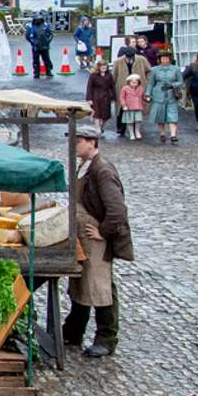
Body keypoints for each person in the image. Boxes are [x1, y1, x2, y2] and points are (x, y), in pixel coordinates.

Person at [62, 124, 133, 358]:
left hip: (98, 239)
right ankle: (74, 331)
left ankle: (107, 337)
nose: (74, 144)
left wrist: (104, 231)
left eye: (78, 140)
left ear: (92, 142)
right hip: (83, 235)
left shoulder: (103, 170)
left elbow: (117, 210)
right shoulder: (85, 166)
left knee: (101, 286)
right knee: (81, 283)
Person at [111, 43, 151, 138]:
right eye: (128, 57)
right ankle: (121, 129)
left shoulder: (141, 59)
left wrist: (146, 81)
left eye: (131, 57)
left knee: (136, 108)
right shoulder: (118, 62)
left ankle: (136, 129)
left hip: (137, 87)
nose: (129, 58)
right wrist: (112, 90)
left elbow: (149, 71)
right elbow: (114, 76)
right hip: (122, 87)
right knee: (122, 108)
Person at [147, 52, 184, 145]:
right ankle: (162, 133)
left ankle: (173, 135)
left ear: (170, 59)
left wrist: (172, 85)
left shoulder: (175, 69)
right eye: (163, 58)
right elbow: (151, 83)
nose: (165, 60)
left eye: (167, 58)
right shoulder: (154, 70)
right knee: (160, 115)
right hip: (158, 94)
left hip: (171, 94)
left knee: (172, 114)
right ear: (159, 59)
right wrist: (148, 93)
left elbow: (180, 81)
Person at [84, 53, 117, 135]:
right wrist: (89, 99)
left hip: (106, 96)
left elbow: (112, 86)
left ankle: (102, 126)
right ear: (99, 67)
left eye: (105, 68)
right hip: (96, 96)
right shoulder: (93, 75)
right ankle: (97, 127)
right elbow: (89, 87)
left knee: (106, 114)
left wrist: (114, 96)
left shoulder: (109, 75)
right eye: (102, 67)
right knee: (97, 113)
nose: (104, 69)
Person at [118, 75, 147, 142]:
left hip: (138, 107)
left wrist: (147, 99)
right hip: (129, 107)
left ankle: (137, 131)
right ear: (129, 82)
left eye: (136, 82)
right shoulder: (125, 88)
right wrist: (124, 105)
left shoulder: (140, 88)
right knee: (129, 121)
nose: (134, 84)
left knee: (138, 120)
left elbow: (143, 96)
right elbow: (122, 97)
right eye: (133, 82)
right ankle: (131, 133)